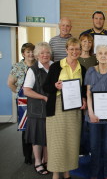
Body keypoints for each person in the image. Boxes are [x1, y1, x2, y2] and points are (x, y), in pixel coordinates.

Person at [43, 37, 87, 179]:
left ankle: (67, 173)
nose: (74, 51)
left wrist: (84, 99)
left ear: (80, 51)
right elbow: (46, 86)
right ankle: (56, 174)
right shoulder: (56, 66)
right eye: (72, 49)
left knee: (71, 141)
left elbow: (84, 90)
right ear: (66, 50)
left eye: (77, 49)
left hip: (74, 109)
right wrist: (55, 86)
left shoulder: (83, 69)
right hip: (57, 107)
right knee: (57, 142)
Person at [85, 45, 107, 179]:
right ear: (96, 55)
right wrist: (91, 113)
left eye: (106, 53)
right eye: (100, 53)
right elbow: (88, 94)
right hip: (94, 116)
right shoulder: (90, 71)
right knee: (94, 147)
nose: (103, 55)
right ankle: (94, 174)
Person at [23, 42, 53, 175]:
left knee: (47, 137)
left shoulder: (54, 66)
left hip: (51, 109)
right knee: (37, 138)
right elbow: (26, 91)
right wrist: (43, 97)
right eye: (42, 53)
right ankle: (38, 162)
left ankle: (46, 160)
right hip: (37, 110)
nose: (45, 55)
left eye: (47, 52)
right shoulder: (33, 70)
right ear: (37, 55)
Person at [7, 43, 35, 165]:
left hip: (35, 100)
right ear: (23, 53)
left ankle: (38, 154)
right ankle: (27, 155)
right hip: (23, 101)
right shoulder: (17, 67)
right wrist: (19, 93)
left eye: (32, 51)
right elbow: (10, 83)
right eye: (28, 52)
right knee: (26, 128)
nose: (31, 54)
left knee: (36, 127)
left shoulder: (38, 65)